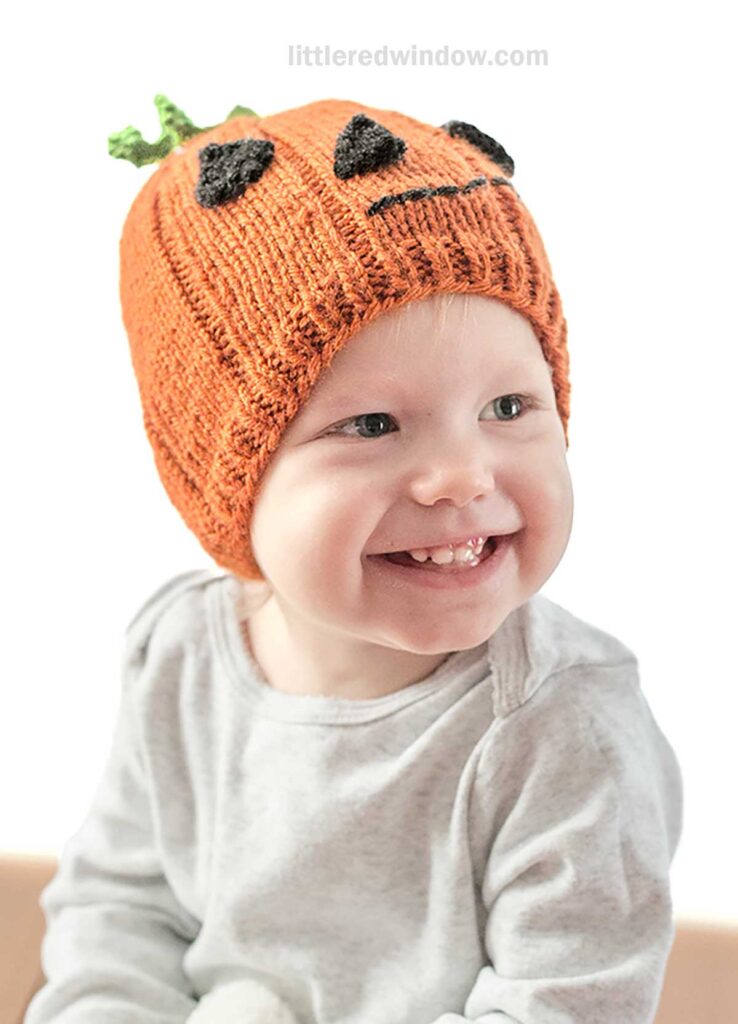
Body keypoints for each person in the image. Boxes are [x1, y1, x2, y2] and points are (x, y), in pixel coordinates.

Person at [25, 95, 683, 1024]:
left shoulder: (561, 725)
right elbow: (119, 911)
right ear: (230, 485)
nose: (461, 473)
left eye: (508, 407)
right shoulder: (180, 655)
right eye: (372, 424)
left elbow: (567, 1003)